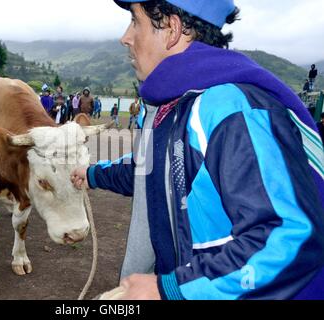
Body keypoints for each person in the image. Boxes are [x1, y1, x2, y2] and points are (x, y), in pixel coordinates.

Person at [71, 0, 324, 300]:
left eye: (135, 21)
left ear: (171, 29)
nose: (125, 37)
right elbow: (149, 170)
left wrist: (170, 290)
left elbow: (288, 238)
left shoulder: (229, 109)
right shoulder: (174, 104)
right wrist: (92, 174)